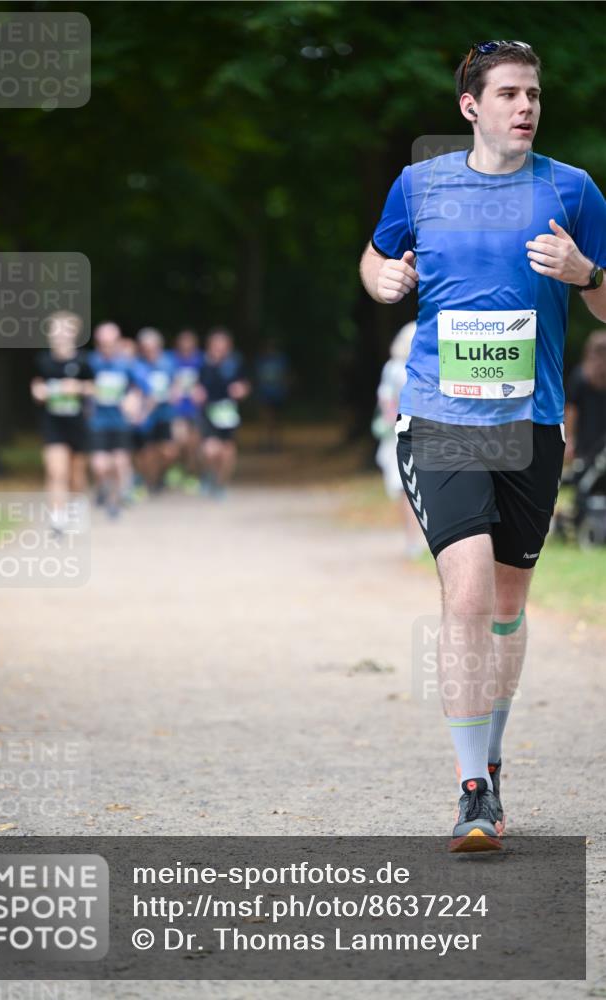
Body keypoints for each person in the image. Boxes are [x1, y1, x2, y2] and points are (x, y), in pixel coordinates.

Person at [359, 41, 606, 851]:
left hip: (529, 426)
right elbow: (374, 254)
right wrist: (382, 280)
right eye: (506, 94)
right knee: (463, 598)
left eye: (532, 93)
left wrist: (584, 271)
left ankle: (489, 763)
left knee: (506, 608)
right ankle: (471, 793)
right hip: (440, 419)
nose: (524, 107)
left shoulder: (571, 189)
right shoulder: (421, 184)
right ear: (471, 106)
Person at [30, 311, 92, 531]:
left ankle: (77, 504)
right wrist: (40, 392)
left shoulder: (84, 361)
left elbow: (95, 387)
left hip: (76, 423)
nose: (60, 334)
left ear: (74, 333)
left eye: (65, 329)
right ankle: (57, 516)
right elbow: (36, 386)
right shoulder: (42, 360)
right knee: (56, 470)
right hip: (52, 422)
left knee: (76, 474)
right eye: (56, 329)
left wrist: (78, 388)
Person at [374, 321, 425, 558]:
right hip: (418, 433)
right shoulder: (417, 368)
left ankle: (412, 539)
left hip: (401, 434)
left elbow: (385, 401)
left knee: (406, 488)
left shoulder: (392, 368)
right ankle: (417, 540)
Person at [87, 322, 140, 518]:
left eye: (110, 343)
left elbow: (140, 387)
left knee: (120, 462)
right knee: (100, 465)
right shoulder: (91, 362)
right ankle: (103, 487)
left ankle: (114, 502)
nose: (107, 347)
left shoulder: (126, 364)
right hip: (97, 421)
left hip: (120, 422)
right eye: (103, 343)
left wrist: (133, 400)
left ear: (118, 342)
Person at [194, 328, 250, 497]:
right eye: (215, 345)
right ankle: (208, 474)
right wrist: (197, 392)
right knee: (210, 450)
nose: (218, 348)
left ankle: (221, 484)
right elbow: (194, 384)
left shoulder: (235, 363)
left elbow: (245, 384)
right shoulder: (202, 363)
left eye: (222, 345)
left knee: (227, 452)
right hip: (208, 410)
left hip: (227, 412)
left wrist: (242, 390)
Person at [131, 327, 180, 493]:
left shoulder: (169, 362)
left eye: (152, 347)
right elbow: (135, 389)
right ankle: (148, 481)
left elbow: (176, 382)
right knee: (147, 451)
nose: (149, 351)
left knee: (169, 451)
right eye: (145, 348)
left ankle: (160, 475)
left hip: (165, 413)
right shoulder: (137, 365)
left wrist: (175, 392)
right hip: (146, 416)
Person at [564, 329, 606, 471]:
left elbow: (571, 410)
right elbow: (571, 410)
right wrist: (570, 439)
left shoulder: (579, 374)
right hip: (585, 438)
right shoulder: (580, 377)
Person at [169, 329, 203, 489]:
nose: (186, 345)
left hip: (195, 409)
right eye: (183, 342)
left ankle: (192, 474)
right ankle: (177, 467)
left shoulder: (200, 360)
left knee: (193, 444)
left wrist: (201, 390)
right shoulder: (171, 360)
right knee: (179, 440)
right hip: (177, 409)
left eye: (189, 342)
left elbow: (207, 380)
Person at [254, 340, 289, 451]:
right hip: (265, 394)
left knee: (277, 420)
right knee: (266, 419)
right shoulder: (261, 361)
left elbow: (285, 376)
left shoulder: (281, 360)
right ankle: (266, 443)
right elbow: (257, 377)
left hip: (278, 394)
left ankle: (276, 443)